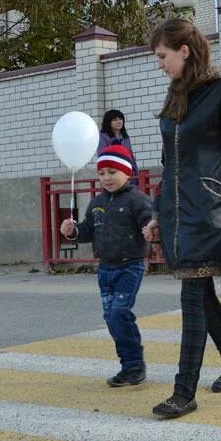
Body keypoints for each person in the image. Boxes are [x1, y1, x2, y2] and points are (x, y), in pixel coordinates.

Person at [142, 18, 221, 419]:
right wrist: (158, 210)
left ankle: (184, 391)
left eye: (162, 56)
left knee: (191, 297)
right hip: (177, 211)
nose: (159, 64)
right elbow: (169, 160)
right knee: (202, 291)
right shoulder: (177, 91)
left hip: (209, 210)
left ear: (184, 50)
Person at [60, 144, 153, 387]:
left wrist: (152, 231)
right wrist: (73, 231)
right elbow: (87, 230)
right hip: (105, 269)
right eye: (102, 173)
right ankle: (127, 366)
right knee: (111, 318)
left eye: (112, 172)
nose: (106, 178)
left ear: (126, 171)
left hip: (129, 267)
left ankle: (135, 365)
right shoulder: (97, 202)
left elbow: (151, 225)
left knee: (120, 313)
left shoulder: (137, 200)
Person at [97, 109, 139, 179]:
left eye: (120, 119)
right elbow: (103, 157)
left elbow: (131, 156)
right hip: (113, 174)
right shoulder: (102, 137)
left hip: (129, 173)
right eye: (115, 120)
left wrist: (136, 172)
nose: (119, 121)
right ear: (108, 122)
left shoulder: (125, 136)